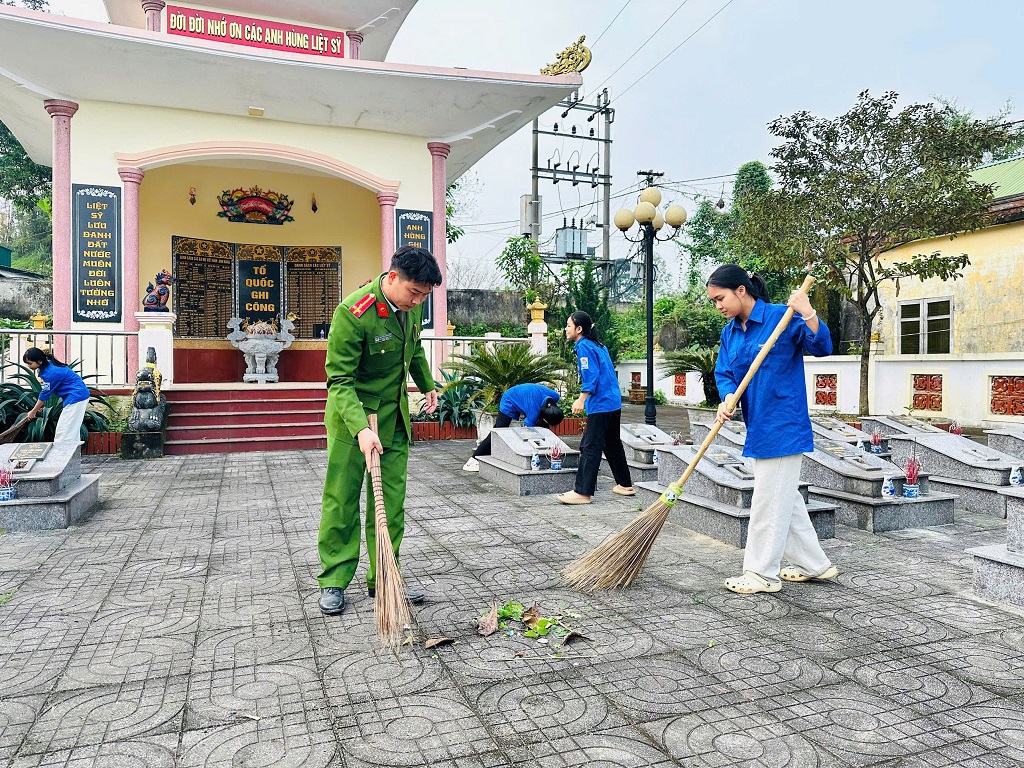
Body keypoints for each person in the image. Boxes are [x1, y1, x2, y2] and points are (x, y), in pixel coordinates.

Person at [317, 246, 443, 616]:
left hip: (394, 421)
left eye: (424, 295)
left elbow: (414, 349)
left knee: (390, 503)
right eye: (414, 292)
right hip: (353, 422)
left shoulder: (409, 309)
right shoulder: (353, 314)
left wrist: (427, 384)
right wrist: (360, 430)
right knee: (341, 500)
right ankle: (334, 580)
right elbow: (339, 381)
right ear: (392, 278)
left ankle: (385, 576)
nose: (418, 301)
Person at [708, 264, 838, 595]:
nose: (718, 306)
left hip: (783, 424)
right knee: (784, 498)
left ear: (741, 290)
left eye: (720, 298)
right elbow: (724, 372)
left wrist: (808, 313)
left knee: (769, 500)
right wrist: (727, 398)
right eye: (713, 301)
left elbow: (822, 347)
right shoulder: (731, 333)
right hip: (758, 424)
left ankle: (761, 574)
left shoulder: (783, 317)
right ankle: (815, 564)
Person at [557, 311, 633, 504]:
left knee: (590, 446)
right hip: (613, 402)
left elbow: (591, 376)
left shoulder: (584, 347)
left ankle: (582, 493)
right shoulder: (599, 346)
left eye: (568, 325)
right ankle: (625, 485)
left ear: (579, 329)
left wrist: (581, 400)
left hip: (600, 404)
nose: (566, 329)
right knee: (613, 444)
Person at [462, 383, 564, 472]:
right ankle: (473, 460)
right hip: (509, 398)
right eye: (550, 423)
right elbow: (530, 431)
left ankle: (546, 453)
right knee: (498, 432)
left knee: (543, 428)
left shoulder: (554, 397)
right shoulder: (533, 412)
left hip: (523, 394)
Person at [22, 347, 91, 443]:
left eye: (30, 363)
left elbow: (44, 394)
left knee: (64, 431)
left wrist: (33, 411)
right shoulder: (48, 366)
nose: (29, 366)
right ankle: (72, 455)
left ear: (40, 361)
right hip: (76, 396)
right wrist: (39, 407)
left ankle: (61, 454)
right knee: (70, 430)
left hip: (77, 396)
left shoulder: (51, 372)